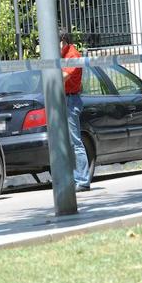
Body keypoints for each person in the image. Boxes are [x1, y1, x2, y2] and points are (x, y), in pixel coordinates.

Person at [60, 32, 90, 192]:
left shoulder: (73, 54)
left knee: (75, 142)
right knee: (66, 142)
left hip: (70, 100)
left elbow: (63, 76)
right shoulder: (62, 55)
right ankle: (72, 178)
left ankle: (83, 180)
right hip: (63, 99)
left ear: (63, 41)